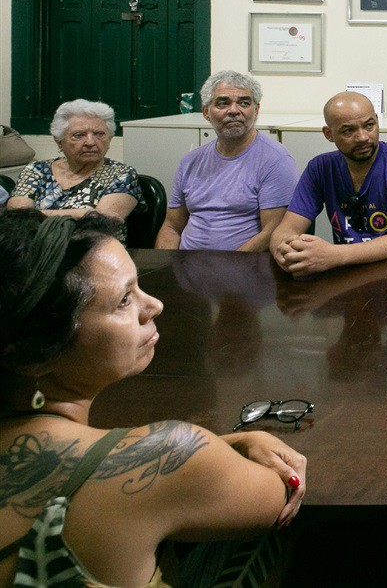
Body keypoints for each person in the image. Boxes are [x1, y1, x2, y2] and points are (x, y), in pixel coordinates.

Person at [0, 209, 307, 586]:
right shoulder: (171, 454)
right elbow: (278, 493)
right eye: (124, 300)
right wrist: (234, 444)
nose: (155, 305)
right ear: (38, 354)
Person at [271, 92, 387, 275]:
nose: (362, 137)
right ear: (329, 134)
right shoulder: (320, 168)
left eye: (369, 125)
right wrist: (284, 249)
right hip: (353, 271)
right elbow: (287, 228)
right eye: (348, 131)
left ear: (377, 121)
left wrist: (332, 255)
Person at [155, 70, 298, 252]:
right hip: (187, 269)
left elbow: (273, 232)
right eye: (223, 103)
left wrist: (225, 268)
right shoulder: (190, 162)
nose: (234, 111)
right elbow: (172, 227)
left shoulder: (275, 160)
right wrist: (167, 266)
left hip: (242, 269)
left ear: (256, 110)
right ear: (206, 112)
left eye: (244, 103)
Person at [7, 100, 139, 243]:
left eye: (99, 134)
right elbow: (17, 216)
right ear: (59, 141)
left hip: (93, 253)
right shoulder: (37, 170)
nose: (90, 142)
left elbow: (104, 221)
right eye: (79, 135)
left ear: (109, 139)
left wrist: (37, 215)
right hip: (36, 253)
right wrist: (83, 214)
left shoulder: (121, 174)